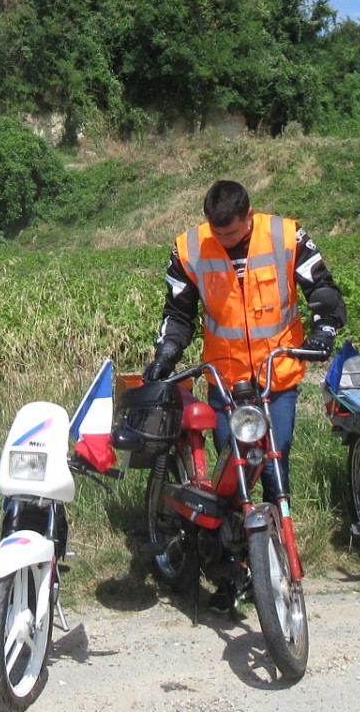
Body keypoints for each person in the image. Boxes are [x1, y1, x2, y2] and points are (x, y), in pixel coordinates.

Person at [143, 179, 346, 608]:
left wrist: (324, 327)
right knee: (231, 474)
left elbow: (322, 288)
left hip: (278, 375)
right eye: (219, 234)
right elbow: (178, 313)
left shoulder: (287, 236)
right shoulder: (189, 249)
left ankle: (276, 560)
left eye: (233, 234)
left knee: (274, 461)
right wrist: (165, 353)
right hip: (225, 377)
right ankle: (231, 574)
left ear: (249, 217)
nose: (225, 241)